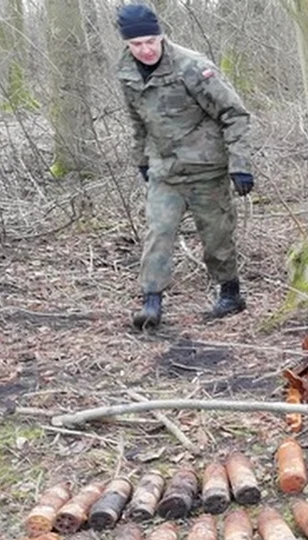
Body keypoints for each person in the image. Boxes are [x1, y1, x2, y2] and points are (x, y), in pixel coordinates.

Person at [116, 4, 254, 330]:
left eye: (151, 40)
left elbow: (234, 114)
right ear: (126, 44)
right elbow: (138, 123)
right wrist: (142, 161)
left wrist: (239, 165)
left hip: (206, 166)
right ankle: (152, 302)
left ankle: (230, 294)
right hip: (164, 169)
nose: (145, 49)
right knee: (158, 232)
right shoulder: (127, 72)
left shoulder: (192, 67)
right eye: (137, 44)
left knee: (217, 235)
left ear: (161, 34)